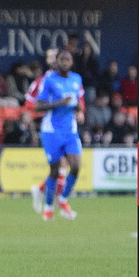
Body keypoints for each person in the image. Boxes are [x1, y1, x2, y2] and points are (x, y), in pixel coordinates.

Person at [32, 49, 84, 221]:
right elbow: (38, 106)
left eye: (68, 59)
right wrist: (59, 103)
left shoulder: (77, 79)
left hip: (70, 130)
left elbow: (78, 101)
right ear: (56, 62)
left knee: (75, 167)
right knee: (54, 171)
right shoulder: (49, 81)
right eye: (61, 59)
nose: (64, 62)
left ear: (71, 62)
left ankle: (62, 199)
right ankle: (48, 208)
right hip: (52, 131)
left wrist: (77, 108)